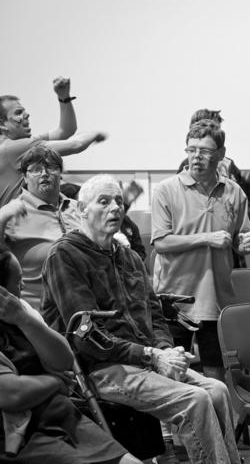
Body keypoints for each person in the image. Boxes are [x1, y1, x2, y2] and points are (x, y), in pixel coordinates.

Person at [40, 175, 241, 464]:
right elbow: (85, 335)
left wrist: (165, 349)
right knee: (195, 401)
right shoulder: (64, 255)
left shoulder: (129, 257)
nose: (115, 208)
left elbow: (154, 314)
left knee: (218, 391)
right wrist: (151, 354)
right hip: (101, 368)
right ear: (82, 209)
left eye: (119, 201)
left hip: (144, 360)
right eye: (104, 201)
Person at [0, 245, 139, 464]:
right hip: (20, 432)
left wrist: (23, 319)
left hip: (60, 414)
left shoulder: (21, 309)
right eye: (17, 282)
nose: (24, 286)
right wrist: (55, 381)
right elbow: (11, 394)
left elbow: (64, 359)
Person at [151, 120, 250, 381]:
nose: (196, 157)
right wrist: (206, 238)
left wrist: (245, 243)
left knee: (215, 370)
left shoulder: (234, 192)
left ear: (220, 154)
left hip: (216, 296)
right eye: (191, 149)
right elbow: (161, 243)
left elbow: (240, 237)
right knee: (173, 371)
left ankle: (217, 421)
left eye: (205, 151)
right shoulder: (166, 190)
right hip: (175, 296)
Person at [0, 78, 106, 207]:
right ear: (2, 124)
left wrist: (64, 98)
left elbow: (64, 131)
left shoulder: (15, 146)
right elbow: (75, 145)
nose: (26, 115)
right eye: (18, 113)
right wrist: (94, 134)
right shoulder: (15, 148)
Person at [0, 146, 82, 311]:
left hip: (81, 312)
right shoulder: (11, 212)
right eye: (36, 170)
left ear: (61, 174)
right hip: (36, 317)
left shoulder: (79, 209)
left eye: (51, 167)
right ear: (24, 177)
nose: (44, 174)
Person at [176, 109, 242, 183]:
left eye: (218, 129)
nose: (217, 134)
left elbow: (241, 190)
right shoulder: (186, 165)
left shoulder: (228, 164)